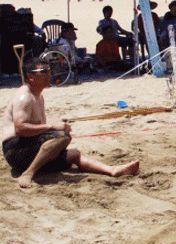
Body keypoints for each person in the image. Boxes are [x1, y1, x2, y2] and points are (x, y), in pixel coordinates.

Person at [2, 58, 140, 188]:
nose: (48, 74)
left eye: (48, 70)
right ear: (30, 77)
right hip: (15, 151)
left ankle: (112, 170)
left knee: (74, 154)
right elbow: (20, 129)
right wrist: (52, 127)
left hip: (29, 148)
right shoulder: (24, 97)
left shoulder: (38, 96)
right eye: (43, 72)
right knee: (62, 136)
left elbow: (37, 131)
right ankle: (29, 172)